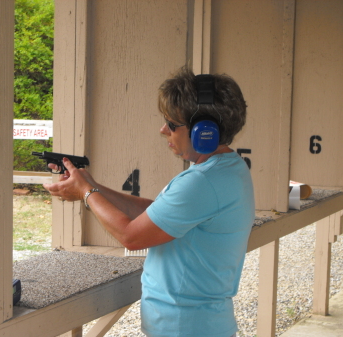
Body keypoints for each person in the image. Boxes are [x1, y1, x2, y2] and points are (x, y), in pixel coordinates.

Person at [43, 66, 255, 337]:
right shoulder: (225, 169)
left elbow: (131, 236)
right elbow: (155, 214)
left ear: (204, 130)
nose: (163, 130)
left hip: (185, 328)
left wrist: (85, 193)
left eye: (172, 124)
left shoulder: (203, 182)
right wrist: (92, 186)